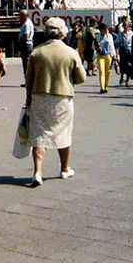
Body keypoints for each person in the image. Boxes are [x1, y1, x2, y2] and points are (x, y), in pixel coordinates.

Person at [25, 17, 86, 187]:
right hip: (62, 98)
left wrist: (28, 99)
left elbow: (28, 79)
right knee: (63, 133)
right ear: (63, 32)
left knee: (39, 135)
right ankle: (65, 169)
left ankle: (37, 172)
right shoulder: (71, 52)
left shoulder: (36, 52)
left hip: (39, 96)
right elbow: (81, 78)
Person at [95, 23, 117, 94]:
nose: (105, 30)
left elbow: (112, 46)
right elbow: (93, 46)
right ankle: (102, 87)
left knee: (107, 72)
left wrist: (114, 55)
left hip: (108, 55)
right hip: (100, 56)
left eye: (106, 29)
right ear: (101, 30)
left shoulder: (109, 36)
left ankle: (106, 86)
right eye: (104, 29)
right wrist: (97, 47)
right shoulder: (97, 36)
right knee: (101, 71)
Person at [18, 9, 35, 83]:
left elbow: (26, 35)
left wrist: (19, 40)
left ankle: (28, 81)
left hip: (26, 44)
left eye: (20, 16)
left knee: (26, 64)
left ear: (24, 16)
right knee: (26, 63)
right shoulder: (27, 23)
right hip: (28, 44)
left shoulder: (26, 24)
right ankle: (27, 81)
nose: (19, 18)